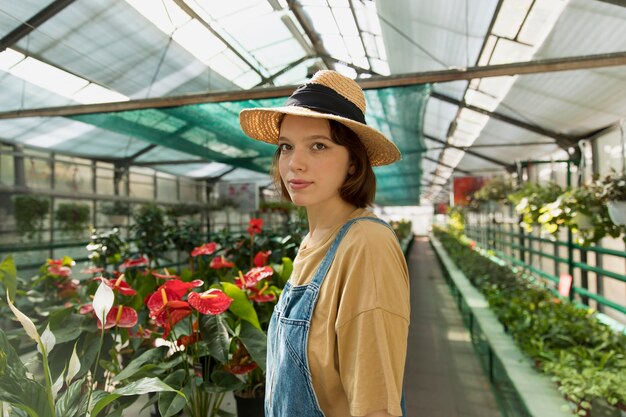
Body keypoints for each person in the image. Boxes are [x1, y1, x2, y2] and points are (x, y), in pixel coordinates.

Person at [239, 70, 410, 417]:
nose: (294, 163)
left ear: (353, 162)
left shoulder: (366, 244)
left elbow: (375, 406)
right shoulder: (312, 242)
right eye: (287, 146)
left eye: (319, 145)